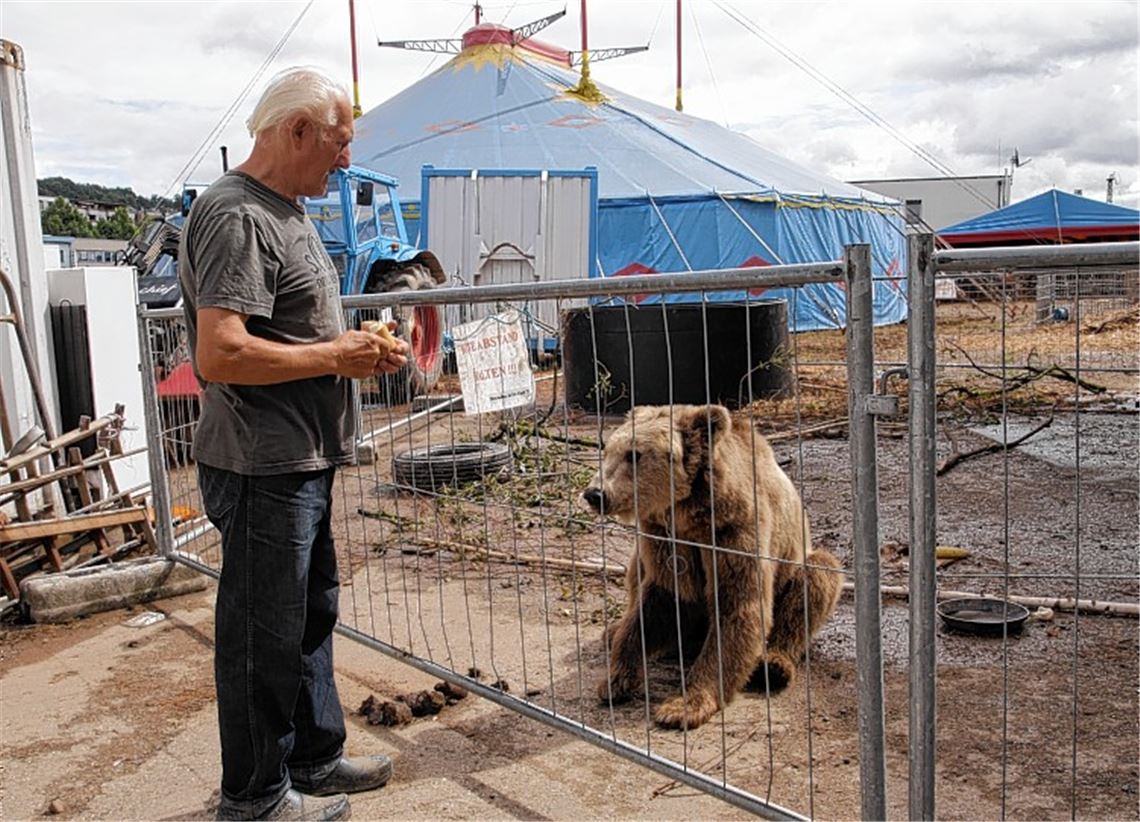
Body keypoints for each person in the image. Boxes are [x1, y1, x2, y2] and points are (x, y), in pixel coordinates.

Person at [178, 66, 407, 822]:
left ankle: (313, 757)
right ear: (296, 131)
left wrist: (359, 346)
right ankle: (255, 798)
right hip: (262, 462)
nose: (344, 161)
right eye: (338, 143)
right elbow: (222, 353)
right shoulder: (236, 215)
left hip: (299, 458)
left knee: (308, 616)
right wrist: (337, 357)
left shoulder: (288, 211)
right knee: (261, 639)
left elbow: (289, 328)